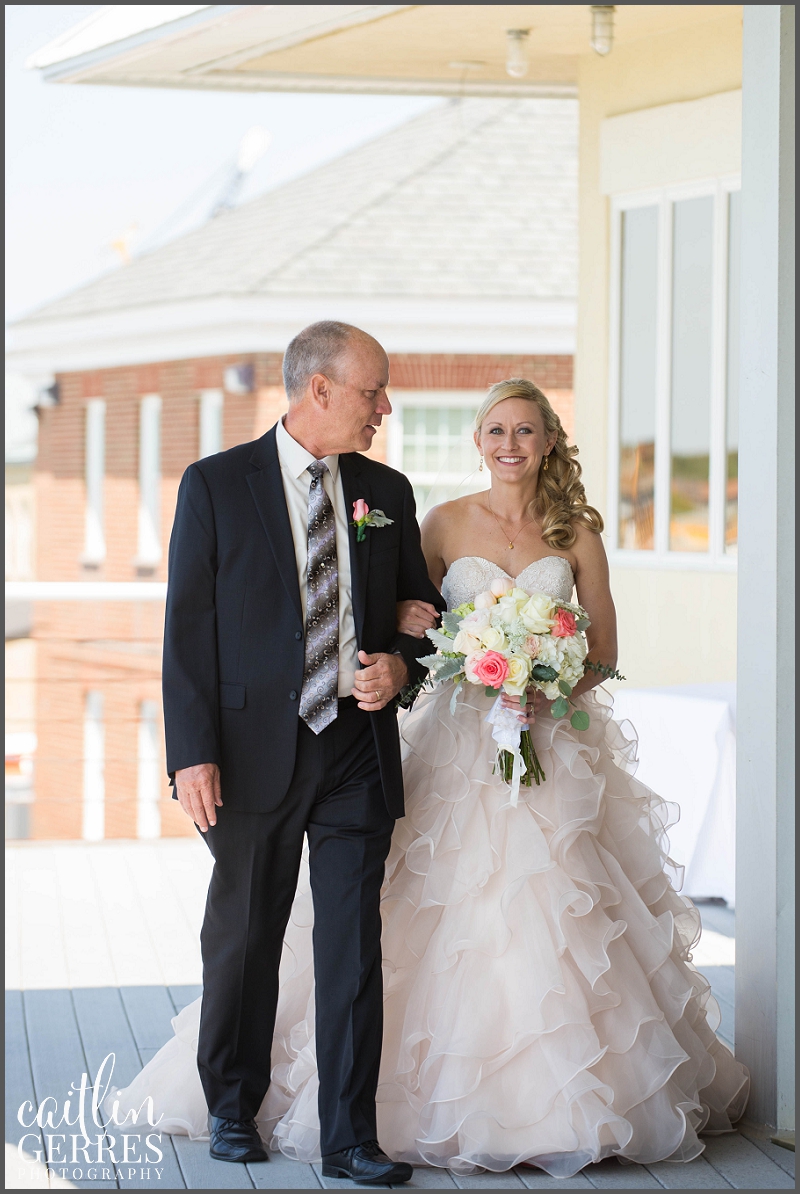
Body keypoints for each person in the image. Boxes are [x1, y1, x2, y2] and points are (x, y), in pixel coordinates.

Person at [110, 378, 749, 1179]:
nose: (509, 443)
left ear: (550, 440)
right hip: (401, 746)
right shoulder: (422, 516)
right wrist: (442, 657)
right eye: (494, 429)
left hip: (507, 750)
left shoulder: (504, 516)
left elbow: (572, 648)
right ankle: (234, 1107)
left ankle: (360, 1132)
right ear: (477, 440)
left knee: (408, 933)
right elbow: (380, 616)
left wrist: (526, 680)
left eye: (525, 429)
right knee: (268, 931)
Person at [155, 320, 444, 1185]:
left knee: (355, 945)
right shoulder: (214, 485)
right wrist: (191, 753)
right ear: (319, 389)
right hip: (248, 755)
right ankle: (231, 1108)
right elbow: (186, 630)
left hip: (357, 749)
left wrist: (400, 666)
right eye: (372, 392)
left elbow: (422, 616)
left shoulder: (386, 487)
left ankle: (350, 1134)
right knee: (246, 934)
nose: (383, 409)